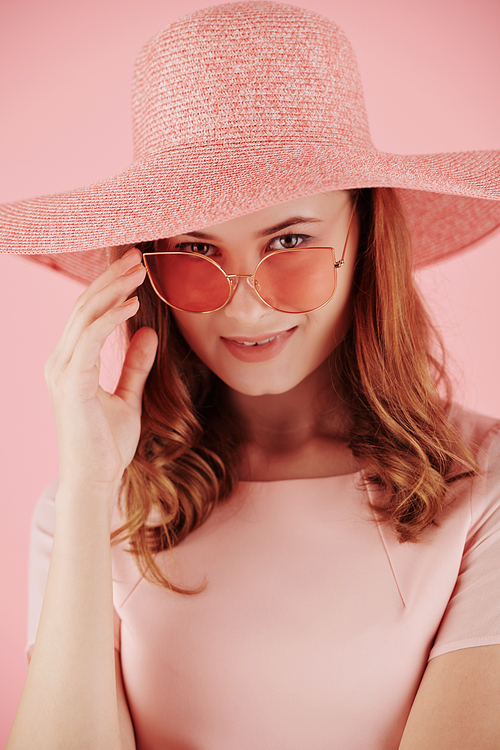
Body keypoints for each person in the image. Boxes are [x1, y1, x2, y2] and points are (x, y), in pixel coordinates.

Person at [3, 2, 500, 748]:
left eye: (291, 240)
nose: (244, 302)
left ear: (366, 236)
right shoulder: (89, 503)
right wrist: (87, 495)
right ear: (144, 270)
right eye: (195, 253)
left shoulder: (482, 484)